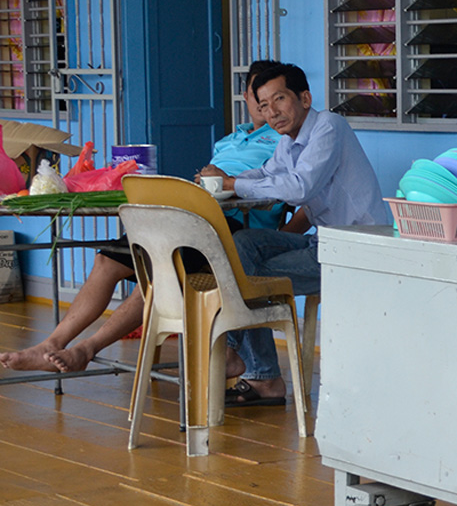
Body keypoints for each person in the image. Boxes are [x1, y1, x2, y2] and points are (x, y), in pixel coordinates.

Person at [0, 60, 285, 373]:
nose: (267, 106)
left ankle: (87, 348)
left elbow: (287, 191)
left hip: (235, 227)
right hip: (192, 213)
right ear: (246, 97)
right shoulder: (230, 139)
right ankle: (50, 344)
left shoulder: (285, 141)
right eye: (259, 97)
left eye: (277, 98)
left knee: (158, 275)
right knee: (107, 261)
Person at [198, 62, 389, 407]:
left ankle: (257, 371)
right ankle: (255, 370)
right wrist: (224, 177)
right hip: (323, 242)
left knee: (242, 273)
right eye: (264, 105)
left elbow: (300, 187)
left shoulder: (329, 126)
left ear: (304, 97)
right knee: (239, 243)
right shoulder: (288, 143)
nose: (272, 112)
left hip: (356, 248)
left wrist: (229, 184)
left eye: (280, 99)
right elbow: (266, 173)